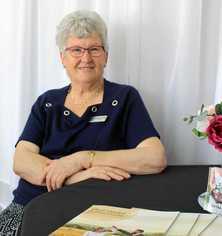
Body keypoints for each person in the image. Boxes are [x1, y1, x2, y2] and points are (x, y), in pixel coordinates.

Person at [0, 10, 166, 235]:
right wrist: (73, 176)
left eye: (94, 49)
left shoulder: (125, 98)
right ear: (62, 58)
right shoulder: (47, 102)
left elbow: (154, 158)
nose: (86, 58)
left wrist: (83, 159)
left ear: (106, 56)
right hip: (29, 206)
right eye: (76, 50)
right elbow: (21, 161)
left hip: (94, 213)